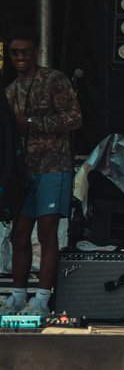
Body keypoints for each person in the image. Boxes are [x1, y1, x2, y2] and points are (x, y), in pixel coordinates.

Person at [0, 26, 82, 317]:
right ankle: (19, 295)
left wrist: (33, 121)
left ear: (35, 51)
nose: (20, 57)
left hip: (53, 168)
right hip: (23, 174)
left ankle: (42, 299)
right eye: (14, 52)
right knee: (19, 236)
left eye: (25, 51)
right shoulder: (9, 91)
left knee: (47, 233)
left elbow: (74, 119)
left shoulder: (53, 80)